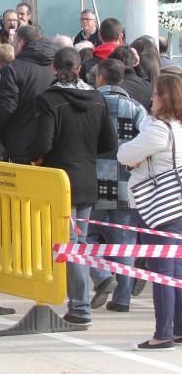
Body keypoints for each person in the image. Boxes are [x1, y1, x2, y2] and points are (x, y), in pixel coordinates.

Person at [28, 47, 117, 327]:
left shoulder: (48, 100)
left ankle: (80, 307)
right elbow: (110, 144)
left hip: (59, 180)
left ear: (54, 69)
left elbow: (43, 143)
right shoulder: (97, 99)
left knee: (69, 245)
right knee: (77, 242)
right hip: (87, 178)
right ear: (80, 68)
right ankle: (99, 279)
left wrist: (36, 156)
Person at [118, 73, 182, 350]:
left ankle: (163, 333)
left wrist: (137, 161)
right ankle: (177, 329)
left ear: (165, 98)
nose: (151, 98)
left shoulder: (158, 129)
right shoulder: (178, 127)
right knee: (176, 272)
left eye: (155, 94)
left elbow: (124, 155)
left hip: (159, 208)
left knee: (162, 273)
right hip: (177, 204)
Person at [88, 58, 147, 313]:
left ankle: (101, 275)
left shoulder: (89, 104)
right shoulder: (134, 108)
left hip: (91, 182)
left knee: (84, 237)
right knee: (125, 240)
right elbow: (146, 140)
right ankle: (122, 298)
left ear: (100, 78)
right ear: (121, 79)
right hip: (125, 183)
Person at [0, 26, 56, 164]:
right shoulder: (55, 64)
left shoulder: (14, 68)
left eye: (14, 42)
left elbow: (6, 107)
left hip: (21, 141)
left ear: (21, 43)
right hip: (52, 140)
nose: (13, 46)